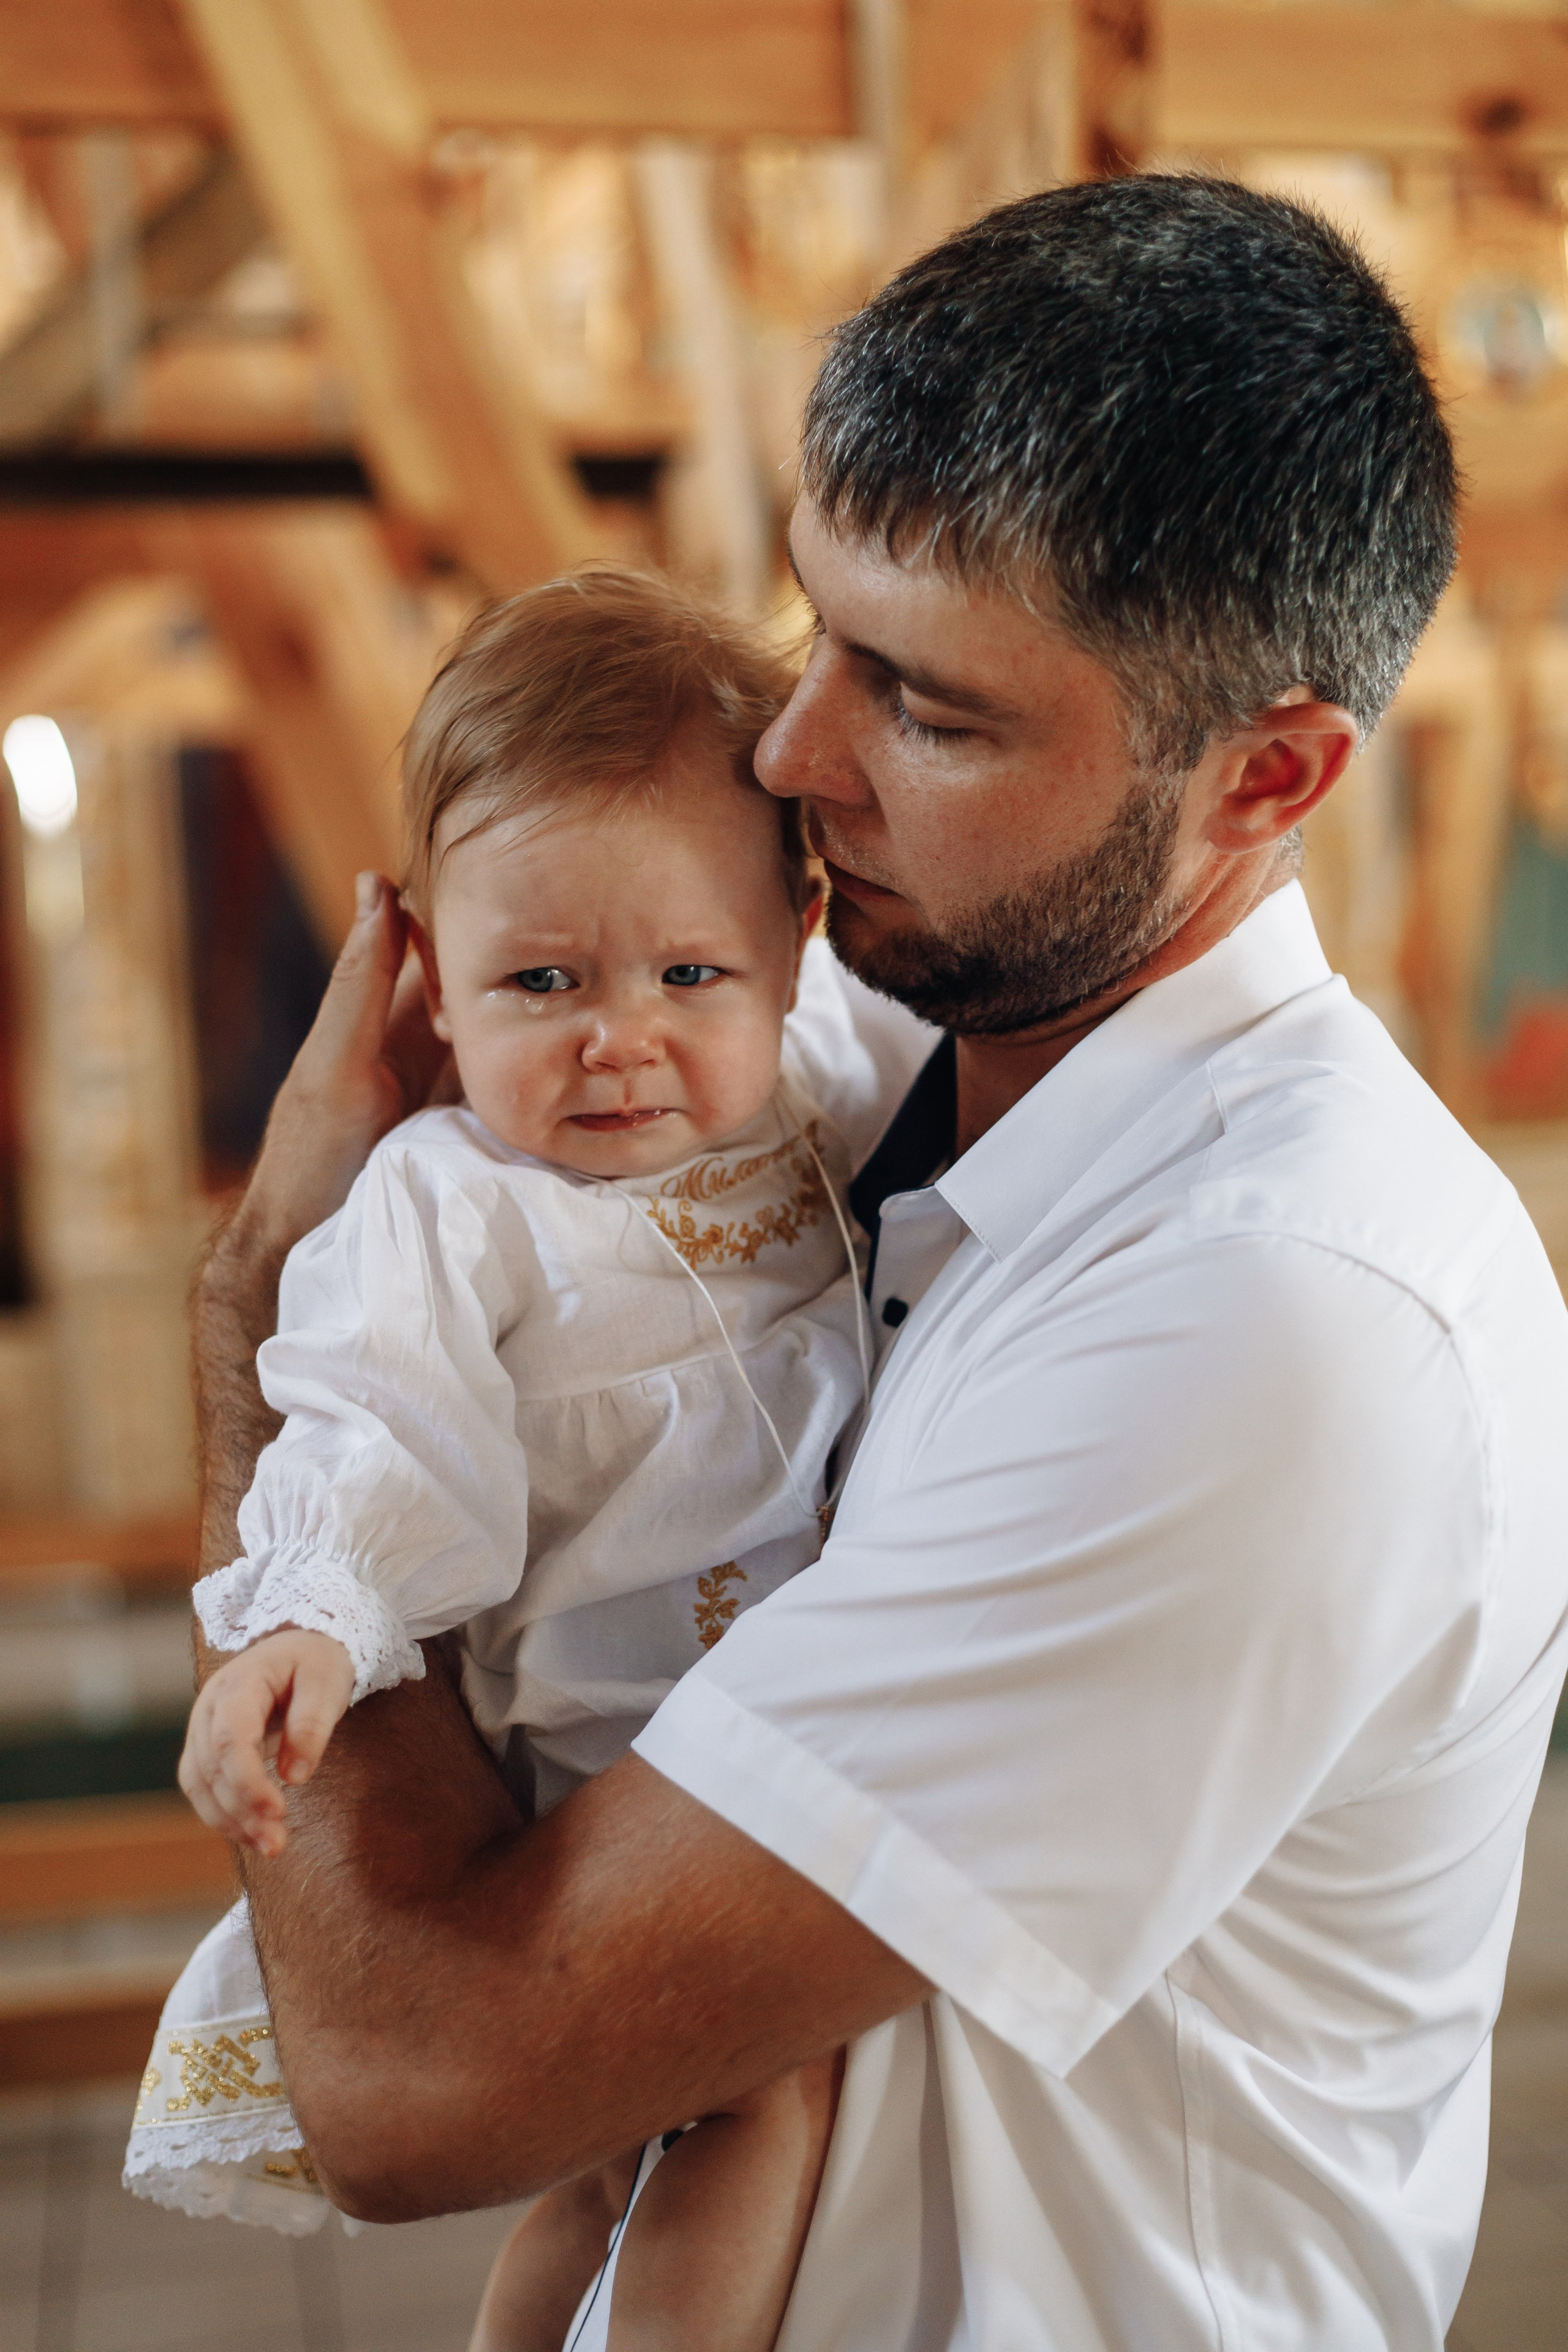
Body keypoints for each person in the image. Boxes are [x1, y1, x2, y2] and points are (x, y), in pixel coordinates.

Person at [191, 178, 1568, 2351]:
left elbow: (419, 2080)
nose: (787, 751)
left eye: (928, 710)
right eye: (814, 627)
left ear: (1267, 775)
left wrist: (267, 1308)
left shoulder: (1278, 1316)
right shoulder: (851, 1044)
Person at [127, 571, 932, 2350]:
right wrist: (308, 1631)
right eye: (539, 980)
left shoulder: (819, 1103)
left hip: (772, 1718)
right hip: (607, 1754)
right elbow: (370, 1417)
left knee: (612, 2163)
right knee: (746, 2102)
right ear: (426, 968)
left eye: (687, 971)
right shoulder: (450, 1200)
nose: (618, 1035)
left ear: (797, 944)